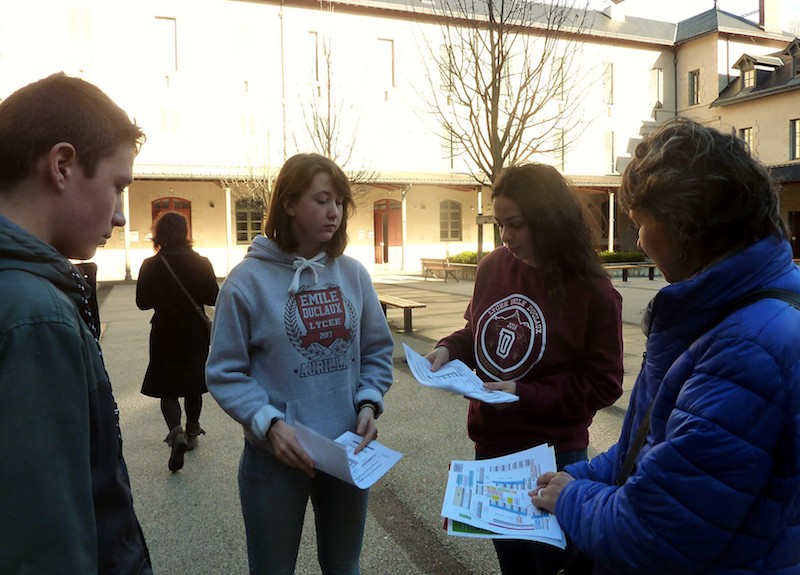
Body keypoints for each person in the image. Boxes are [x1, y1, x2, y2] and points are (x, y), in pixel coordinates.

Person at [532, 118, 800, 574]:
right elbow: (650, 450)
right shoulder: (736, 306)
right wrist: (573, 477)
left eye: (639, 223)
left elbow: (653, 535)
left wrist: (571, 496)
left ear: (684, 226)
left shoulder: (743, 351)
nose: (637, 240)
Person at [426, 163, 624, 575]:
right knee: (514, 566)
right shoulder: (493, 267)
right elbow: (476, 331)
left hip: (553, 457)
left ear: (548, 219)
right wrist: (448, 349)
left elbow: (603, 385)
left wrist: (522, 393)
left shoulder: (593, 291)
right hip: (491, 450)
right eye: (500, 224)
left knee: (553, 566)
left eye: (515, 224)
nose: (506, 236)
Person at [206, 152, 394, 575]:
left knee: (345, 564)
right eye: (322, 200)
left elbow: (377, 351)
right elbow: (224, 371)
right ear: (289, 204)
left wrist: (367, 403)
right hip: (275, 458)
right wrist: (270, 424)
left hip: (346, 451)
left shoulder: (353, 274)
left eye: (340, 202)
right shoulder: (246, 281)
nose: (335, 212)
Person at [0, 73, 152, 573]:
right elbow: (46, 544)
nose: (121, 218)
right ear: (62, 165)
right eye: (117, 186)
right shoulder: (35, 316)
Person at [136, 211, 219, 472]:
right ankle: (193, 430)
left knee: (167, 387)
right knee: (194, 382)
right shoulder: (202, 262)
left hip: (164, 332)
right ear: (185, 232)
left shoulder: (151, 264)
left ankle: (176, 432)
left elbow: (142, 303)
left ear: (159, 233)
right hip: (195, 332)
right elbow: (213, 297)